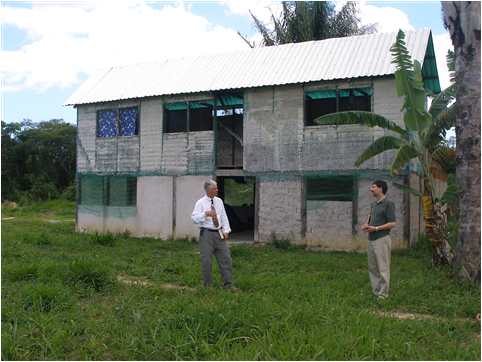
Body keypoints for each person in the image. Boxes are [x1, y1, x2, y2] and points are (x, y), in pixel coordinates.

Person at [191, 180, 235, 289]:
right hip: (206, 234)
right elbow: (194, 219)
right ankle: (207, 286)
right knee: (206, 261)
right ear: (208, 190)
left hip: (219, 233)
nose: (217, 190)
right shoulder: (200, 203)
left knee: (226, 259)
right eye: (214, 188)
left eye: (216, 188)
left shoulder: (219, 201)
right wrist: (205, 214)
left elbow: (223, 216)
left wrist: (226, 230)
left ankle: (228, 285)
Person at [361, 180, 396, 299]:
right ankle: (376, 292)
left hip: (382, 239)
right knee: (373, 267)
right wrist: (366, 225)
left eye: (374, 187)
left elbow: (392, 223)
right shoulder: (373, 204)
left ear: (381, 189)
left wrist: (375, 228)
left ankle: (383, 294)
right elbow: (370, 218)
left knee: (383, 267)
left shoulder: (388, 204)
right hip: (371, 239)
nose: (371, 189)